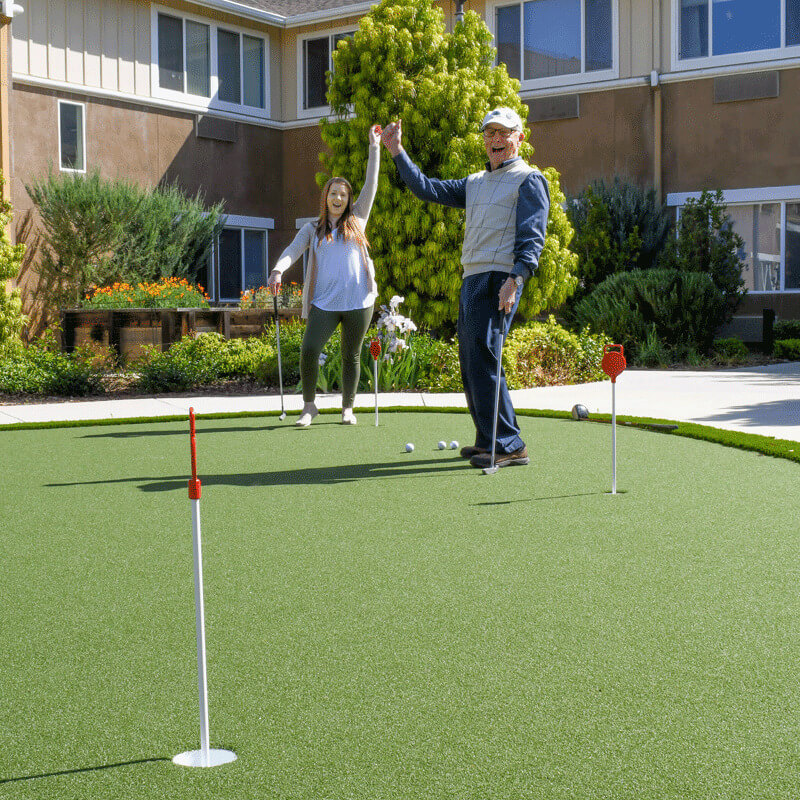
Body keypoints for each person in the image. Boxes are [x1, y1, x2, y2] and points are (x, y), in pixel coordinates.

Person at [381, 107, 550, 468]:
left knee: (486, 360)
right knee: (473, 362)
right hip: (473, 277)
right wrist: (397, 151)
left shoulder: (529, 178)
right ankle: (488, 438)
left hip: (499, 279)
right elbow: (425, 188)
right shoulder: (474, 182)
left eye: (504, 133)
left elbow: (532, 237)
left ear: (519, 138)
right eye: (490, 133)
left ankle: (509, 443)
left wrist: (515, 280)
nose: (496, 140)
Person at [268, 124, 382, 427]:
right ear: (326, 197)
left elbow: (371, 182)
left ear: (348, 200)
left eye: (343, 194)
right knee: (309, 349)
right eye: (334, 193)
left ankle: (347, 408)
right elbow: (293, 250)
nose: (338, 198)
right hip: (324, 303)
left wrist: (375, 147)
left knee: (351, 355)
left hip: (359, 301)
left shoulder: (358, 220)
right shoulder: (312, 229)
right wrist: (279, 269)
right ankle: (309, 407)